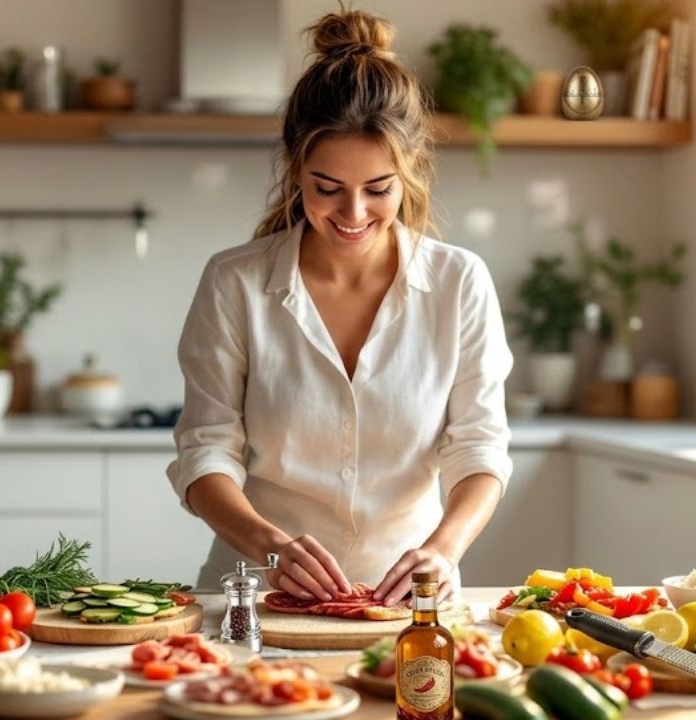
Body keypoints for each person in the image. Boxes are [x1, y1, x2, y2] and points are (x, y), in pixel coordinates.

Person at [166, 8, 512, 607]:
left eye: (378, 189)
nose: (353, 215)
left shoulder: (460, 282)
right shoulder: (235, 283)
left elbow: (479, 447)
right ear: (296, 168)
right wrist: (271, 547)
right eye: (328, 188)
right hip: (254, 593)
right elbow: (205, 452)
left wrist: (445, 548)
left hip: (407, 602)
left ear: (410, 173)